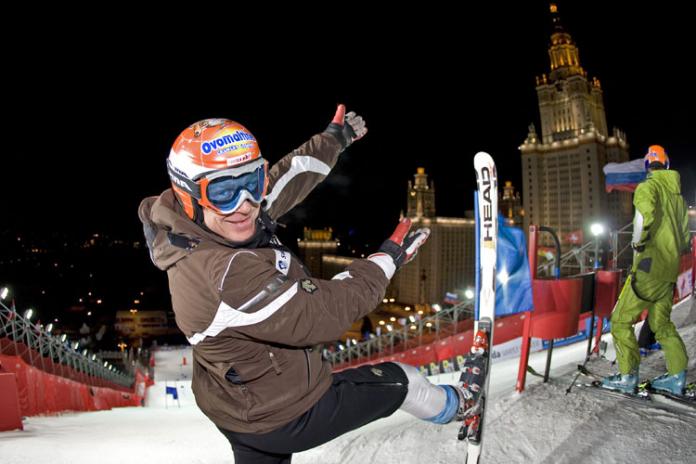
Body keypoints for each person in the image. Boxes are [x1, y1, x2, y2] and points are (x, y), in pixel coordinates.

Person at [138, 105, 477, 463]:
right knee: (402, 381)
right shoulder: (225, 274)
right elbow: (323, 312)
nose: (246, 205)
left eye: (252, 182)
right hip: (287, 414)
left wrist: (333, 139)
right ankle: (460, 406)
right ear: (189, 195)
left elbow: (286, 179)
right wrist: (386, 260)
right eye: (224, 192)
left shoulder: (202, 224)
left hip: (236, 405)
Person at [602, 145, 691, 395]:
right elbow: (685, 238)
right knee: (661, 325)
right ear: (667, 164)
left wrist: (638, 243)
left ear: (647, 166)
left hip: (648, 268)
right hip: (669, 271)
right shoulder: (678, 198)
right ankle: (677, 377)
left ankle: (628, 376)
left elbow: (644, 218)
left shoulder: (647, 187)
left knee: (620, 321)